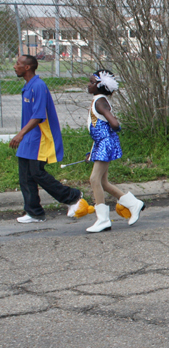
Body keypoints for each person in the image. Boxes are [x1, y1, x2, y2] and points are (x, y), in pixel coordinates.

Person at [9, 54, 82, 223]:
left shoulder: (39, 86)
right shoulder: (28, 86)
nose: (15, 66)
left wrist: (20, 134)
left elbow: (39, 116)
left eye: (18, 64)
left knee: (37, 173)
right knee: (25, 176)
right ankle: (34, 212)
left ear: (27, 67)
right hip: (29, 137)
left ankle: (72, 196)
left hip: (40, 138)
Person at [83, 69, 145, 232]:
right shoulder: (98, 100)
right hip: (101, 143)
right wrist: (93, 151)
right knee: (103, 182)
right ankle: (133, 204)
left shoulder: (100, 102)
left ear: (100, 85)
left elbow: (114, 124)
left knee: (94, 179)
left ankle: (103, 219)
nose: (88, 85)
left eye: (91, 82)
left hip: (105, 143)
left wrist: (110, 133)